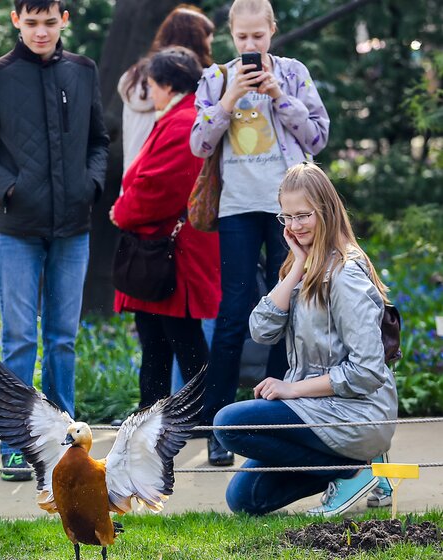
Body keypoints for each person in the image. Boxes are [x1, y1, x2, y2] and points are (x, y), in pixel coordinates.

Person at [0, 0, 109, 481]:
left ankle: (66, 440)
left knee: (63, 340)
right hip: (18, 231)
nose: (40, 32)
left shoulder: (84, 72)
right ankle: (15, 444)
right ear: (15, 20)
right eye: (31, 23)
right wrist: (10, 189)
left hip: (73, 229)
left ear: (64, 20)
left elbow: (99, 142)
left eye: (49, 22)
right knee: (19, 339)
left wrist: (91, 185)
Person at [189, 0, 330, 466]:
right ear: (232, 34)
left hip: (291, 209)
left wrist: (279, 98)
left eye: (258, 37)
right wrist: (228, 100)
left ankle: (271, 418)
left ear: (272, 31)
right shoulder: (215, 79)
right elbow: (198, 143)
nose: (251, 46)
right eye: (242, 38)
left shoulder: (293, 74)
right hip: (236, 209)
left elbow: (317, 137)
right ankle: (216, 424)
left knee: (288, 306)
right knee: (233, 312)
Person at [213, 162, 397, 516]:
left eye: (303, 216)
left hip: (357, 413)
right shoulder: (305, 264)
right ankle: (364, 471)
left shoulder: (345, 274)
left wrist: (292, 389)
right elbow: (261, 330)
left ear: (325, 211)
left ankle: (354, 469)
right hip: (317, 411)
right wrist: (296, 266)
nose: (294, 227)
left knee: (228, 423)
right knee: (244, 500)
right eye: (286, 218)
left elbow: (367, 372)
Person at [110, 47, 220, 410]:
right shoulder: (182, 116)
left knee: (182, 344)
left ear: (169, 85)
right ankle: (153, 420)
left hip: (173, 256)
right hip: (165, 254)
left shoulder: (181, 121)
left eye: (153, 85)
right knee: (158, 343)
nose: (150, 93)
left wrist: (121, 212)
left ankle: (207, 421)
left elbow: (157, 188)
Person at [117, 4, 214, 173]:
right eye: (208, 41)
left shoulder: (134, 77)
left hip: (134, 174)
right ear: (197, 42)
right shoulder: (197, 85)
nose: (210, 48)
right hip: (171, 177)